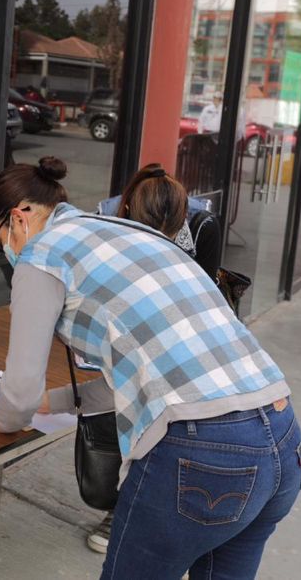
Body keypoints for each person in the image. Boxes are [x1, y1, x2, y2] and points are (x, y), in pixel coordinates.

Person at [0, 157, 301, 579]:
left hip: (202, 451)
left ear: (19, 218)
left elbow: (17, 395)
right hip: (281, 434)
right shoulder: (131, 233)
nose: (5, 252)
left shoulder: (42, 253)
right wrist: (52, 402)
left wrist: (2, 416)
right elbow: (140, 379)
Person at [84, 163, 224, 554]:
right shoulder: (106, 220)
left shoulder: (202, 227)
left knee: (173, 426)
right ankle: (119, 508)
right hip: (125, 328)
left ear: (179, 221)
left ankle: (162, 512)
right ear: (128, 212)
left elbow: (202, 300)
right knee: (124, 415)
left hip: (185, 332)